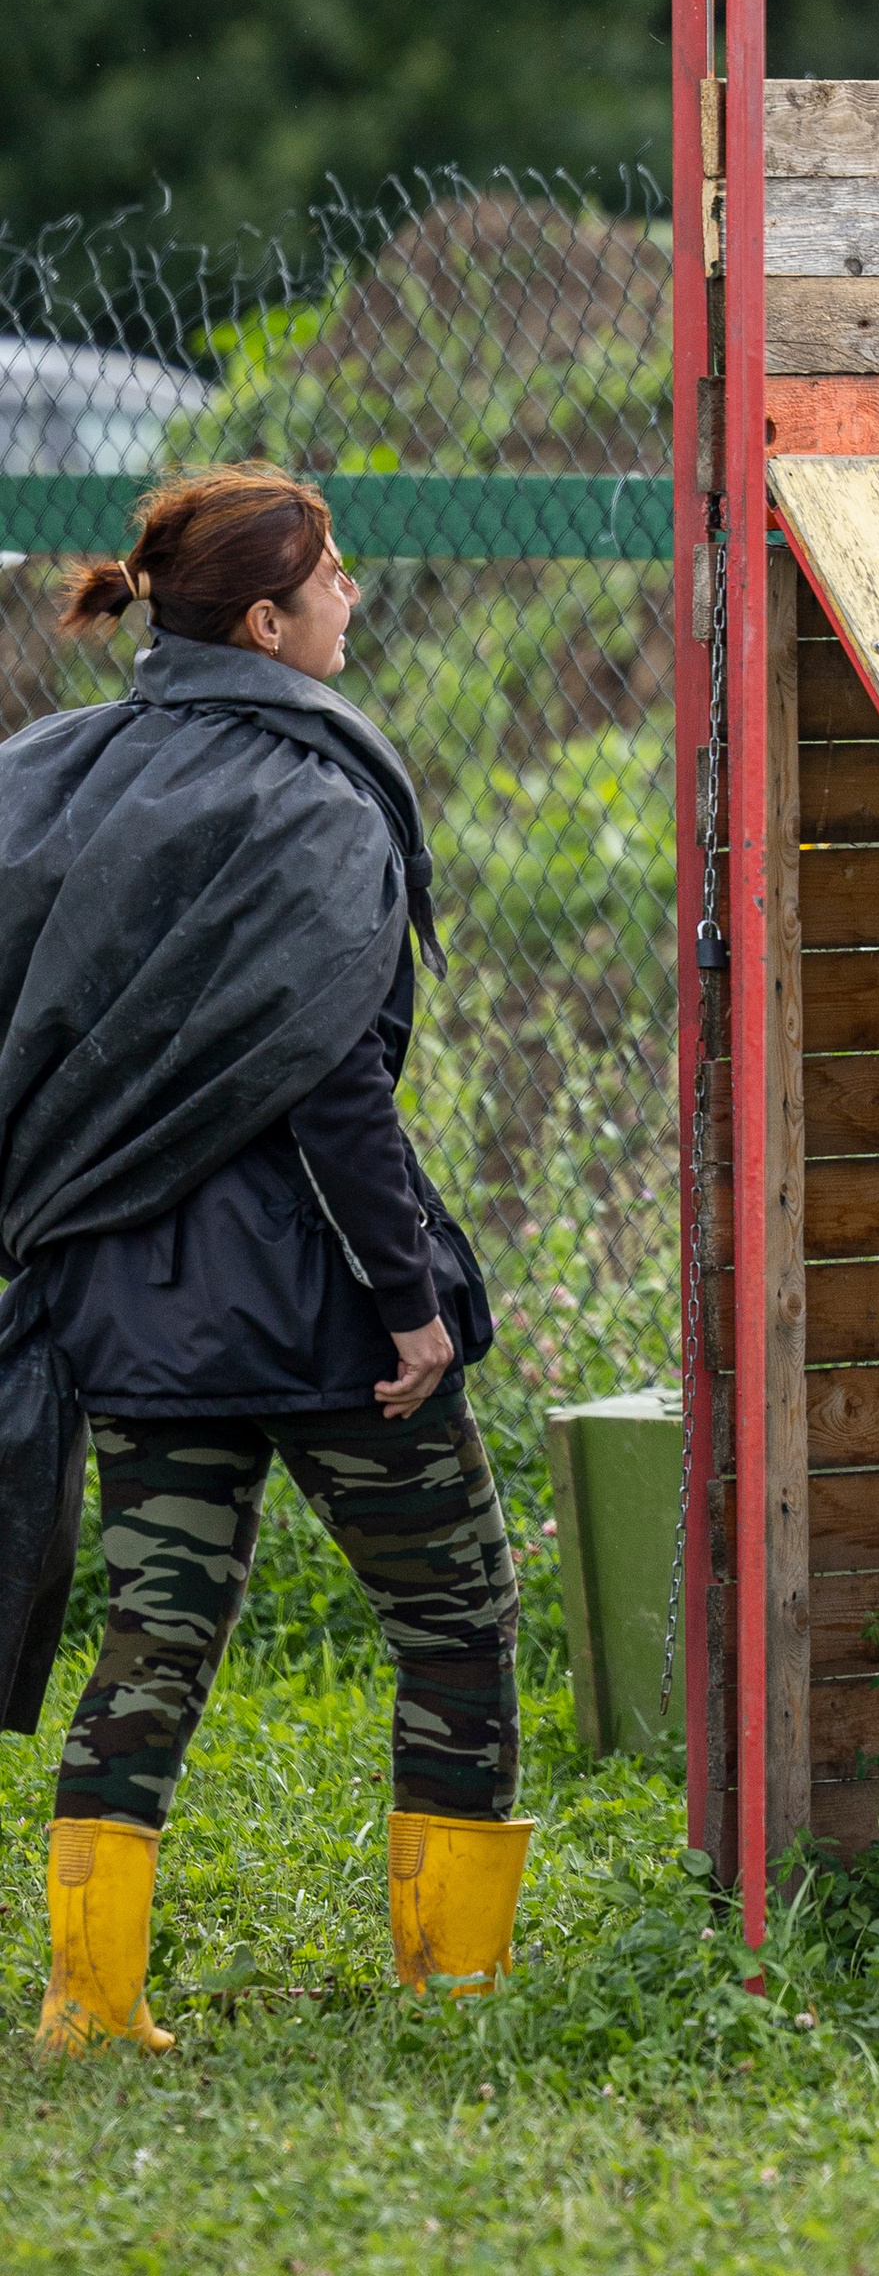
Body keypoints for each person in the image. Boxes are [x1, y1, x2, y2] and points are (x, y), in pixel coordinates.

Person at [0, 466, 526, 2054]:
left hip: (129, 1307)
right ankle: (452, 1986)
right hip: (322, 1316)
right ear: (266, 620)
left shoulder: (57, 778)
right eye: (334, 576)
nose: (357, 595)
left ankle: (90, 2005)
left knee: (155, 1637)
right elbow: (333, 1089)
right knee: (461, 1618)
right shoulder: (306, 800)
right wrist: (410, 1303)